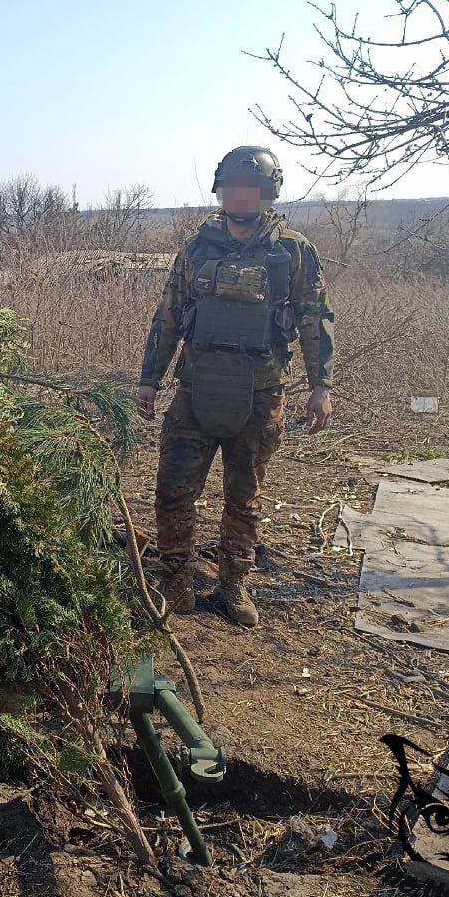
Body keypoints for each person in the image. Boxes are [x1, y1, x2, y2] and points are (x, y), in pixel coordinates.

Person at [136, 145, 335, 628]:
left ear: (269, 193)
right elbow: (168, 315)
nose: (241, 197)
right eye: (233, 188)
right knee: (173, 490)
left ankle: (233, 583)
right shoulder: (197, 248)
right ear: (220, 191)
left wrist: (321, 385)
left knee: (244, 498)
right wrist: (149, 379)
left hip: (261, 393)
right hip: (196, 387)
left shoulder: (293, 252)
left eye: (252, 189)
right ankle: (175, 579)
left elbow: (315, 318)